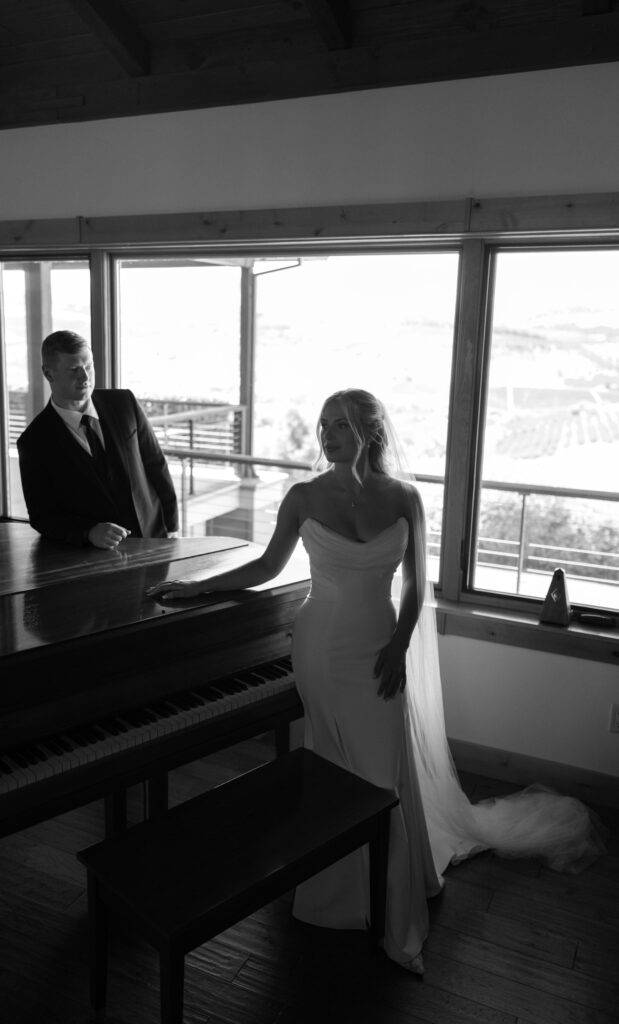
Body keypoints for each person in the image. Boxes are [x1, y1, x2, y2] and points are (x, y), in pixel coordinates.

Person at [149, 388, 606, 974]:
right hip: (317, 651)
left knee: (380, 774)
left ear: (370, 430)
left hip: (378, 649)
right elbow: (266, 567)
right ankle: (332, 893)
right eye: (322, 424)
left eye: (339, 425)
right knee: (333, 764)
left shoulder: (405, 497)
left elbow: (417, 586)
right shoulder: (302, 496)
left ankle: (398, 912)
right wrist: (197, 587)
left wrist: (397, 646)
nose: (326, 434)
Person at [17, 331, 178, 548]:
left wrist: (172, 526)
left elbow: (156, 465)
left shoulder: (124, 403)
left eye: (89, 366)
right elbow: (42, 516)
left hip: (155, 539)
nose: (85, 377)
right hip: (94, 556)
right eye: (74, 369)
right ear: (49, 373)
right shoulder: (34, 441)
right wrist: (88, 532)